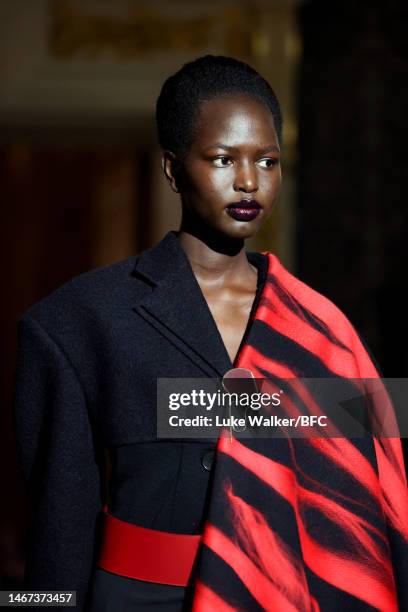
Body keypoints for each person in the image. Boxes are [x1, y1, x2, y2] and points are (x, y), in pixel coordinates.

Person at [13, 56, 408, 611]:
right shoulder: (79, 320)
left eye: (267, 161)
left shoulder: (320, 327)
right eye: (223, 159)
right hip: (139, 598)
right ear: (173, 168)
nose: (248, 181)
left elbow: (362, 499)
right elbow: (59, 524)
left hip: (288, 597)